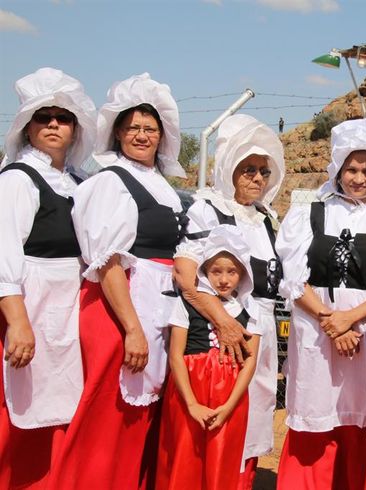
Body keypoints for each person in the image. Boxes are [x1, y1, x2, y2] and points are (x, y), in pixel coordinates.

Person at [49, 73, 187, 490]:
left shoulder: (162, 185)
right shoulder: (109, 181)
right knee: (105, 423)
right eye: (133, 128)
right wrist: (131, 329)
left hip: (153, 309)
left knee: (138, 425)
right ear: (118, 132)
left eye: (150, 128)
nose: (141, 136)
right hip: (117, 312)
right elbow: (107, 262)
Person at [275, 118, 366, 490]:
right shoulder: (310, 213)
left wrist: (349, 319)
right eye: (352, 168)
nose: (359, 178)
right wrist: (330, 321)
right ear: (338, 169)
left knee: (361, 422)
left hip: (365, 334)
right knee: (318, 421)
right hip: (316, 332)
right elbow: (293, 278)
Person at [173, 113, 285, 489]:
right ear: (229, 169)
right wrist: (224, 322)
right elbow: (187, 278)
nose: (256, 178)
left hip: (259, 333)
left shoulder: (266, 218)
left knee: (253, 418)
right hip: (223, 335)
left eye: (263, 172)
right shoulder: (209, 209)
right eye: (248, 169)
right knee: (221, 419)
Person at [0, 67, 96, 489]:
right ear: (28, 126)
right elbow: (3, 254)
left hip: (69, 313)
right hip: (32, 309)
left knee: (63, 417)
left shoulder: (78, 182)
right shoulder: (18, 180)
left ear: (76, 129)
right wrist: (18, 322)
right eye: (44, 117)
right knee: (21, 421)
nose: (54, 124)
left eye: (63, 117)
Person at [157, 226, 261, 489]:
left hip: (230, 395)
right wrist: (191, 404)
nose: (224, 279)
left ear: (243, 274)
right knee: (183, 454)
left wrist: (229, 406)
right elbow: (177, 356)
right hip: (190, 388)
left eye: (232, 271)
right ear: (205, 272)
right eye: (216, 271)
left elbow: (250, 361)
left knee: (221, 459)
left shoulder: (251, 310)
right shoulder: (187, 303)